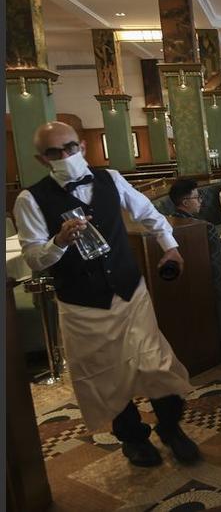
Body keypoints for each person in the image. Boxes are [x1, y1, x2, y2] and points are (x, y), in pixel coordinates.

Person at [13, 122, 197, 468]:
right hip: (82, 304)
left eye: (69, 148)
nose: (64, 156)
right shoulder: (30, 199)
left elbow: (149, 214)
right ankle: (133, 439)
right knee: (104, 376)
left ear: (82, 146)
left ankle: (172, 429)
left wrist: (170, 248)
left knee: (156, 365)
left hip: (130, 293)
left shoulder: (111, 178)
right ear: (42, 159)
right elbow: (33, 257)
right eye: (54, 153)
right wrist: (60, 242)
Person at [169, 179, 221, 257]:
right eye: (197, 197)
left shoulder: (169, 223)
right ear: (185, 202)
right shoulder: (202, 226)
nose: (200, 201)